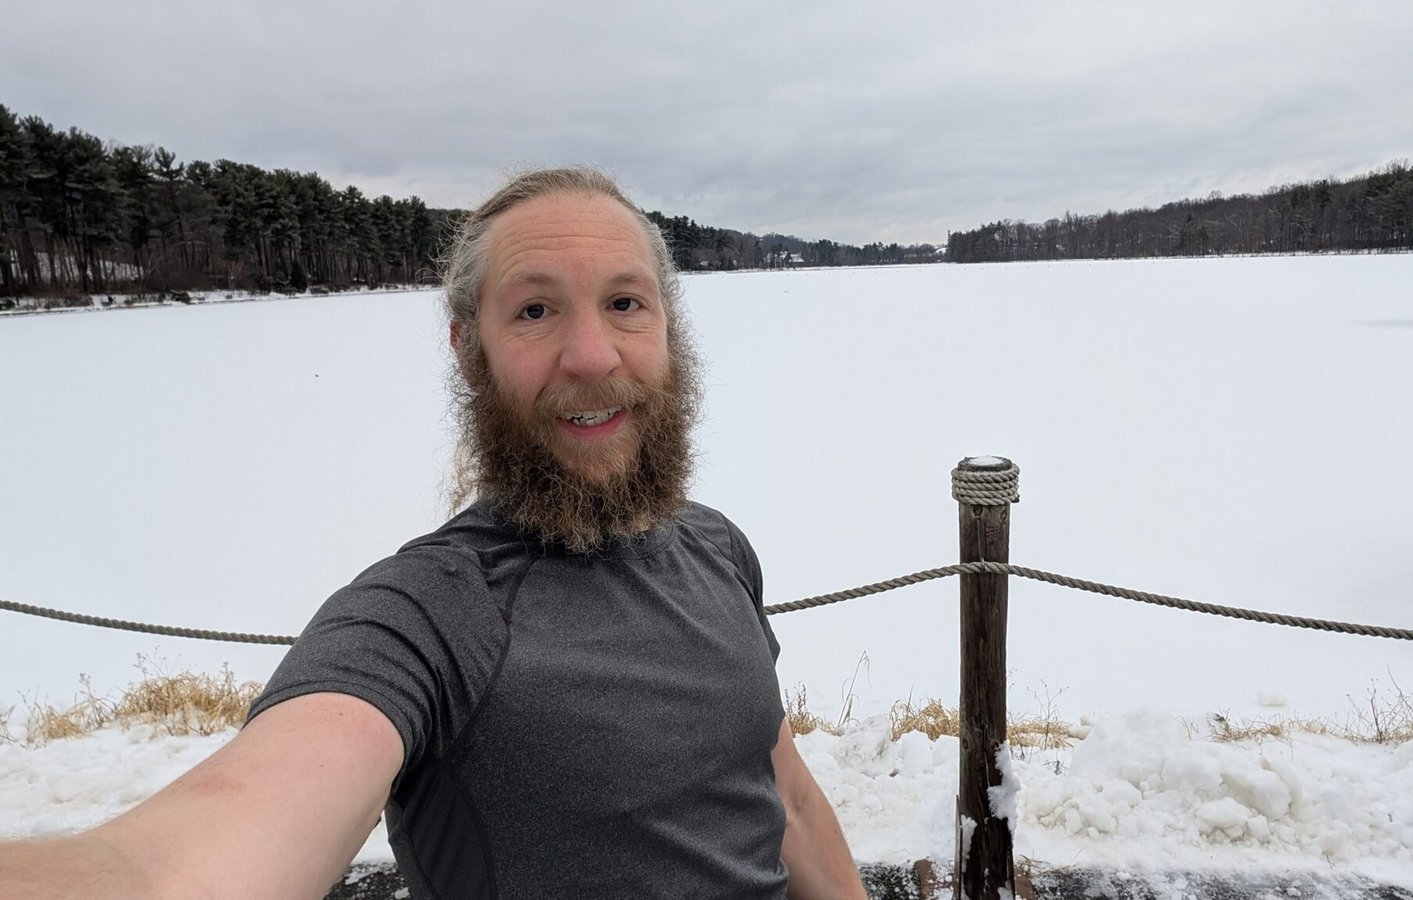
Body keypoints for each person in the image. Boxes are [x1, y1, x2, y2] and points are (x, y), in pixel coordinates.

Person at [0, 167, 867, 899]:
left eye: (625, 302)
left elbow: (781, 793)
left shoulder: (715, 548)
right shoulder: (434, 613)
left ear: (667, 329)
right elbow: (184, 857)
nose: (592, 354)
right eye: (534, 312)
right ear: (467, 349)